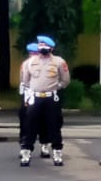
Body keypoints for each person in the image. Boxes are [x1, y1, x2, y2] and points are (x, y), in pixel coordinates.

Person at [19, 37, 70, 166]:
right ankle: (26, 152)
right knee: (30, 125)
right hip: (35, 98)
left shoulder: (59, 62)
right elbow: (25, 81)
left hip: (51, 98)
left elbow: (65, 80)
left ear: (51, 48)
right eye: (40, 45)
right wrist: (34, 89)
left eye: (45, 45)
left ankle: (57, 153)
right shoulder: (30, 62)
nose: (42, 47)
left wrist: (56, 87)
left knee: (54, 126)